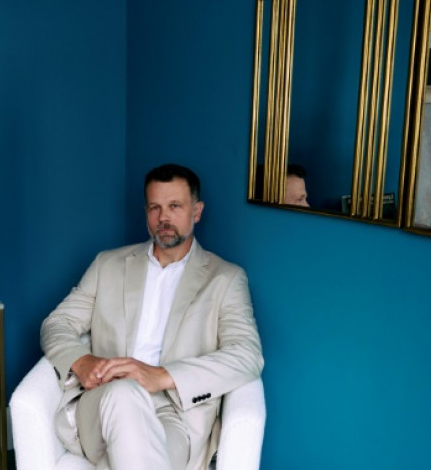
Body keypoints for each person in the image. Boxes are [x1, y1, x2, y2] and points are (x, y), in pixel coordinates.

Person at [41, 164, 264, 470]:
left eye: (175, 206)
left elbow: (247, 355)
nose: (163, 218)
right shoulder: (107, 264)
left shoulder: (226, 278)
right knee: (123, 393)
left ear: (197, 211)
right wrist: (81, 362)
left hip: (175, 413)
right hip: (104, 399)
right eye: (154, 208)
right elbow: (57, 323)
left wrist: (162, 376)